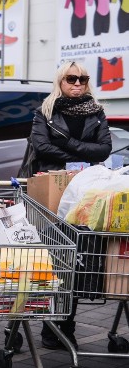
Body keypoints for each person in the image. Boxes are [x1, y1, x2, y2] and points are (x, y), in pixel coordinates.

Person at [30, 61, 112, 350]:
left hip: (86, 193)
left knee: (77, 259)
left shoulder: (97, 111)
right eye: (71, 78)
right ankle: (50, 327)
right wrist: (80, 151)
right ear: (60, 81)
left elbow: (104, 149)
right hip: (54, 191)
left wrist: (71, 147)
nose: (78, 83)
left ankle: (66, 326)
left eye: (83, 79)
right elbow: (41, 147)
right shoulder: (46, 112)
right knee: (54, 259)